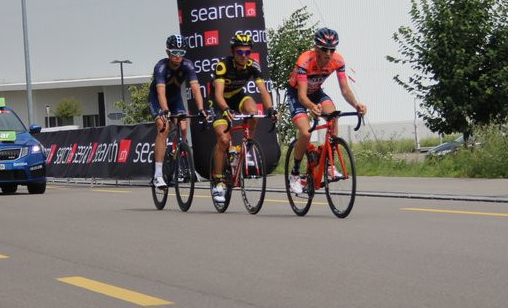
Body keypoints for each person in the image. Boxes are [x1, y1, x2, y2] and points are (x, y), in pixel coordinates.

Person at [286, 27, 367, 196]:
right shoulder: (305, 61)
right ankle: (294, 174)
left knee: (333, 116)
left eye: (332, 49)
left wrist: (356, 105)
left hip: (316, 92)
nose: (328, 53)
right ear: (316, 47)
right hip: (297, 95)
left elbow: (345, 90)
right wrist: (311, 107)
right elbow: (302, 96)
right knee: (306, 133)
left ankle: (328, 163)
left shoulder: (338, 60)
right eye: (324, 49)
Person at [210, 32, 275, 204]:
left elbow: (263, 91)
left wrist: (271, 109)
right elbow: (218, 94)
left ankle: (246, 147)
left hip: (238, 96)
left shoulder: (253, 65)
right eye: (240, 52)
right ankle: (218, 182)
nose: (244, 56)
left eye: (247, 52)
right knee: (223, 140)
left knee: (253, 111)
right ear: (233, 52)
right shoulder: (223, 66)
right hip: (220, 102)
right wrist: (225, 109)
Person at [148, 35, 209, 189]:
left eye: (182, 52)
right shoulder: (161, 67)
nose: (178, 56)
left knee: (182, 127)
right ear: (168, 52)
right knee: (164, 127)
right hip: (158, 99)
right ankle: (158, 175)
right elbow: (161, 93)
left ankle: (176, 153)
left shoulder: (188, 65)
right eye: (175, 52)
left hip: (175, 99)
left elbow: (196, 89)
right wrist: (165, 111)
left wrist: (201, 109)